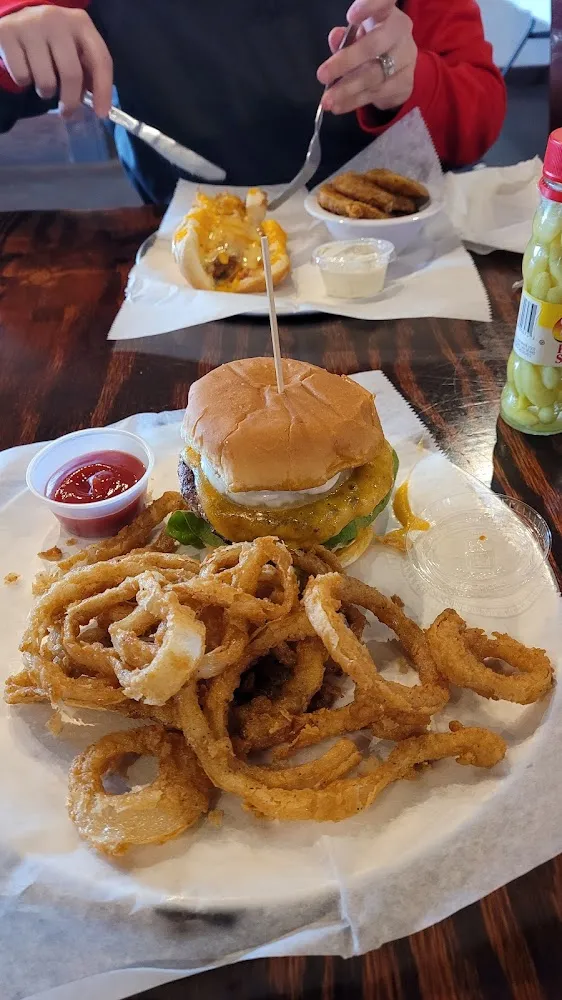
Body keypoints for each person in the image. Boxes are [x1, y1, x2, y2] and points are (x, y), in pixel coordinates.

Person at [0, 0, 506, 205]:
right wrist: (13, 32)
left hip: (387, 257)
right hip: (178, 265)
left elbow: (479, 114)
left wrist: (407, 83)